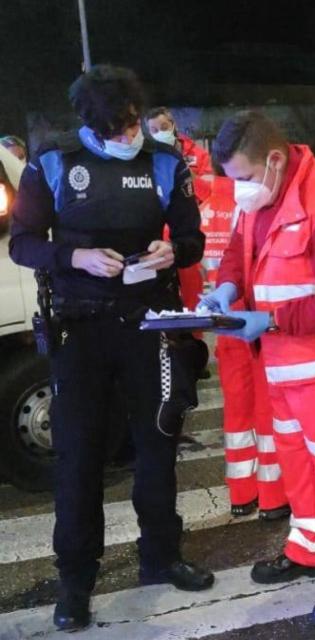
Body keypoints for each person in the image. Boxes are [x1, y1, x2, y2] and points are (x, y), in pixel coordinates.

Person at [9, 65, 212, 632]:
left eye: (132, 125)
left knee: (158, 442)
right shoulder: (53, 163)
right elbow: (23, 244)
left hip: (150, 324)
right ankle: (75, 580)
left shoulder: (165, 161)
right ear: (89, 124)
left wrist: (173, 252)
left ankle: (161, 556)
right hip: (80, 327)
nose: (129, 137)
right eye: (117, 129)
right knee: (77, 455)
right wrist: (74, 258)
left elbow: (191, 237)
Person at [200, 111, 315, 627]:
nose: (238, 192)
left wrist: (271, 319)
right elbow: (240, 249)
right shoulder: (266, 193)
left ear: (274, 160)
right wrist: (227, 288)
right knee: (296, 458)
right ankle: (308, 547)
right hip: (281, 360)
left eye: (242, 178)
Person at [198, 175, 289, 519]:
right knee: (267, 409)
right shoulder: (260, 201)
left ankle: (242, 492)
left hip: (224, 318)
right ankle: (273, 495)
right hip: (256, 318)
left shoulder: (204, 205)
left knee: (237, 410)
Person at [145, 107, 212, 312]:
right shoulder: (147, 157)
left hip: (191, 228)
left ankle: (195, 335)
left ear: (173, 125)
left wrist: (180, 171)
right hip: (159, 233)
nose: (160, 132)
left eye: (164, 127)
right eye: (154, 130)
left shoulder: (197, 155)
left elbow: (209, 190)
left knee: (193, 291)